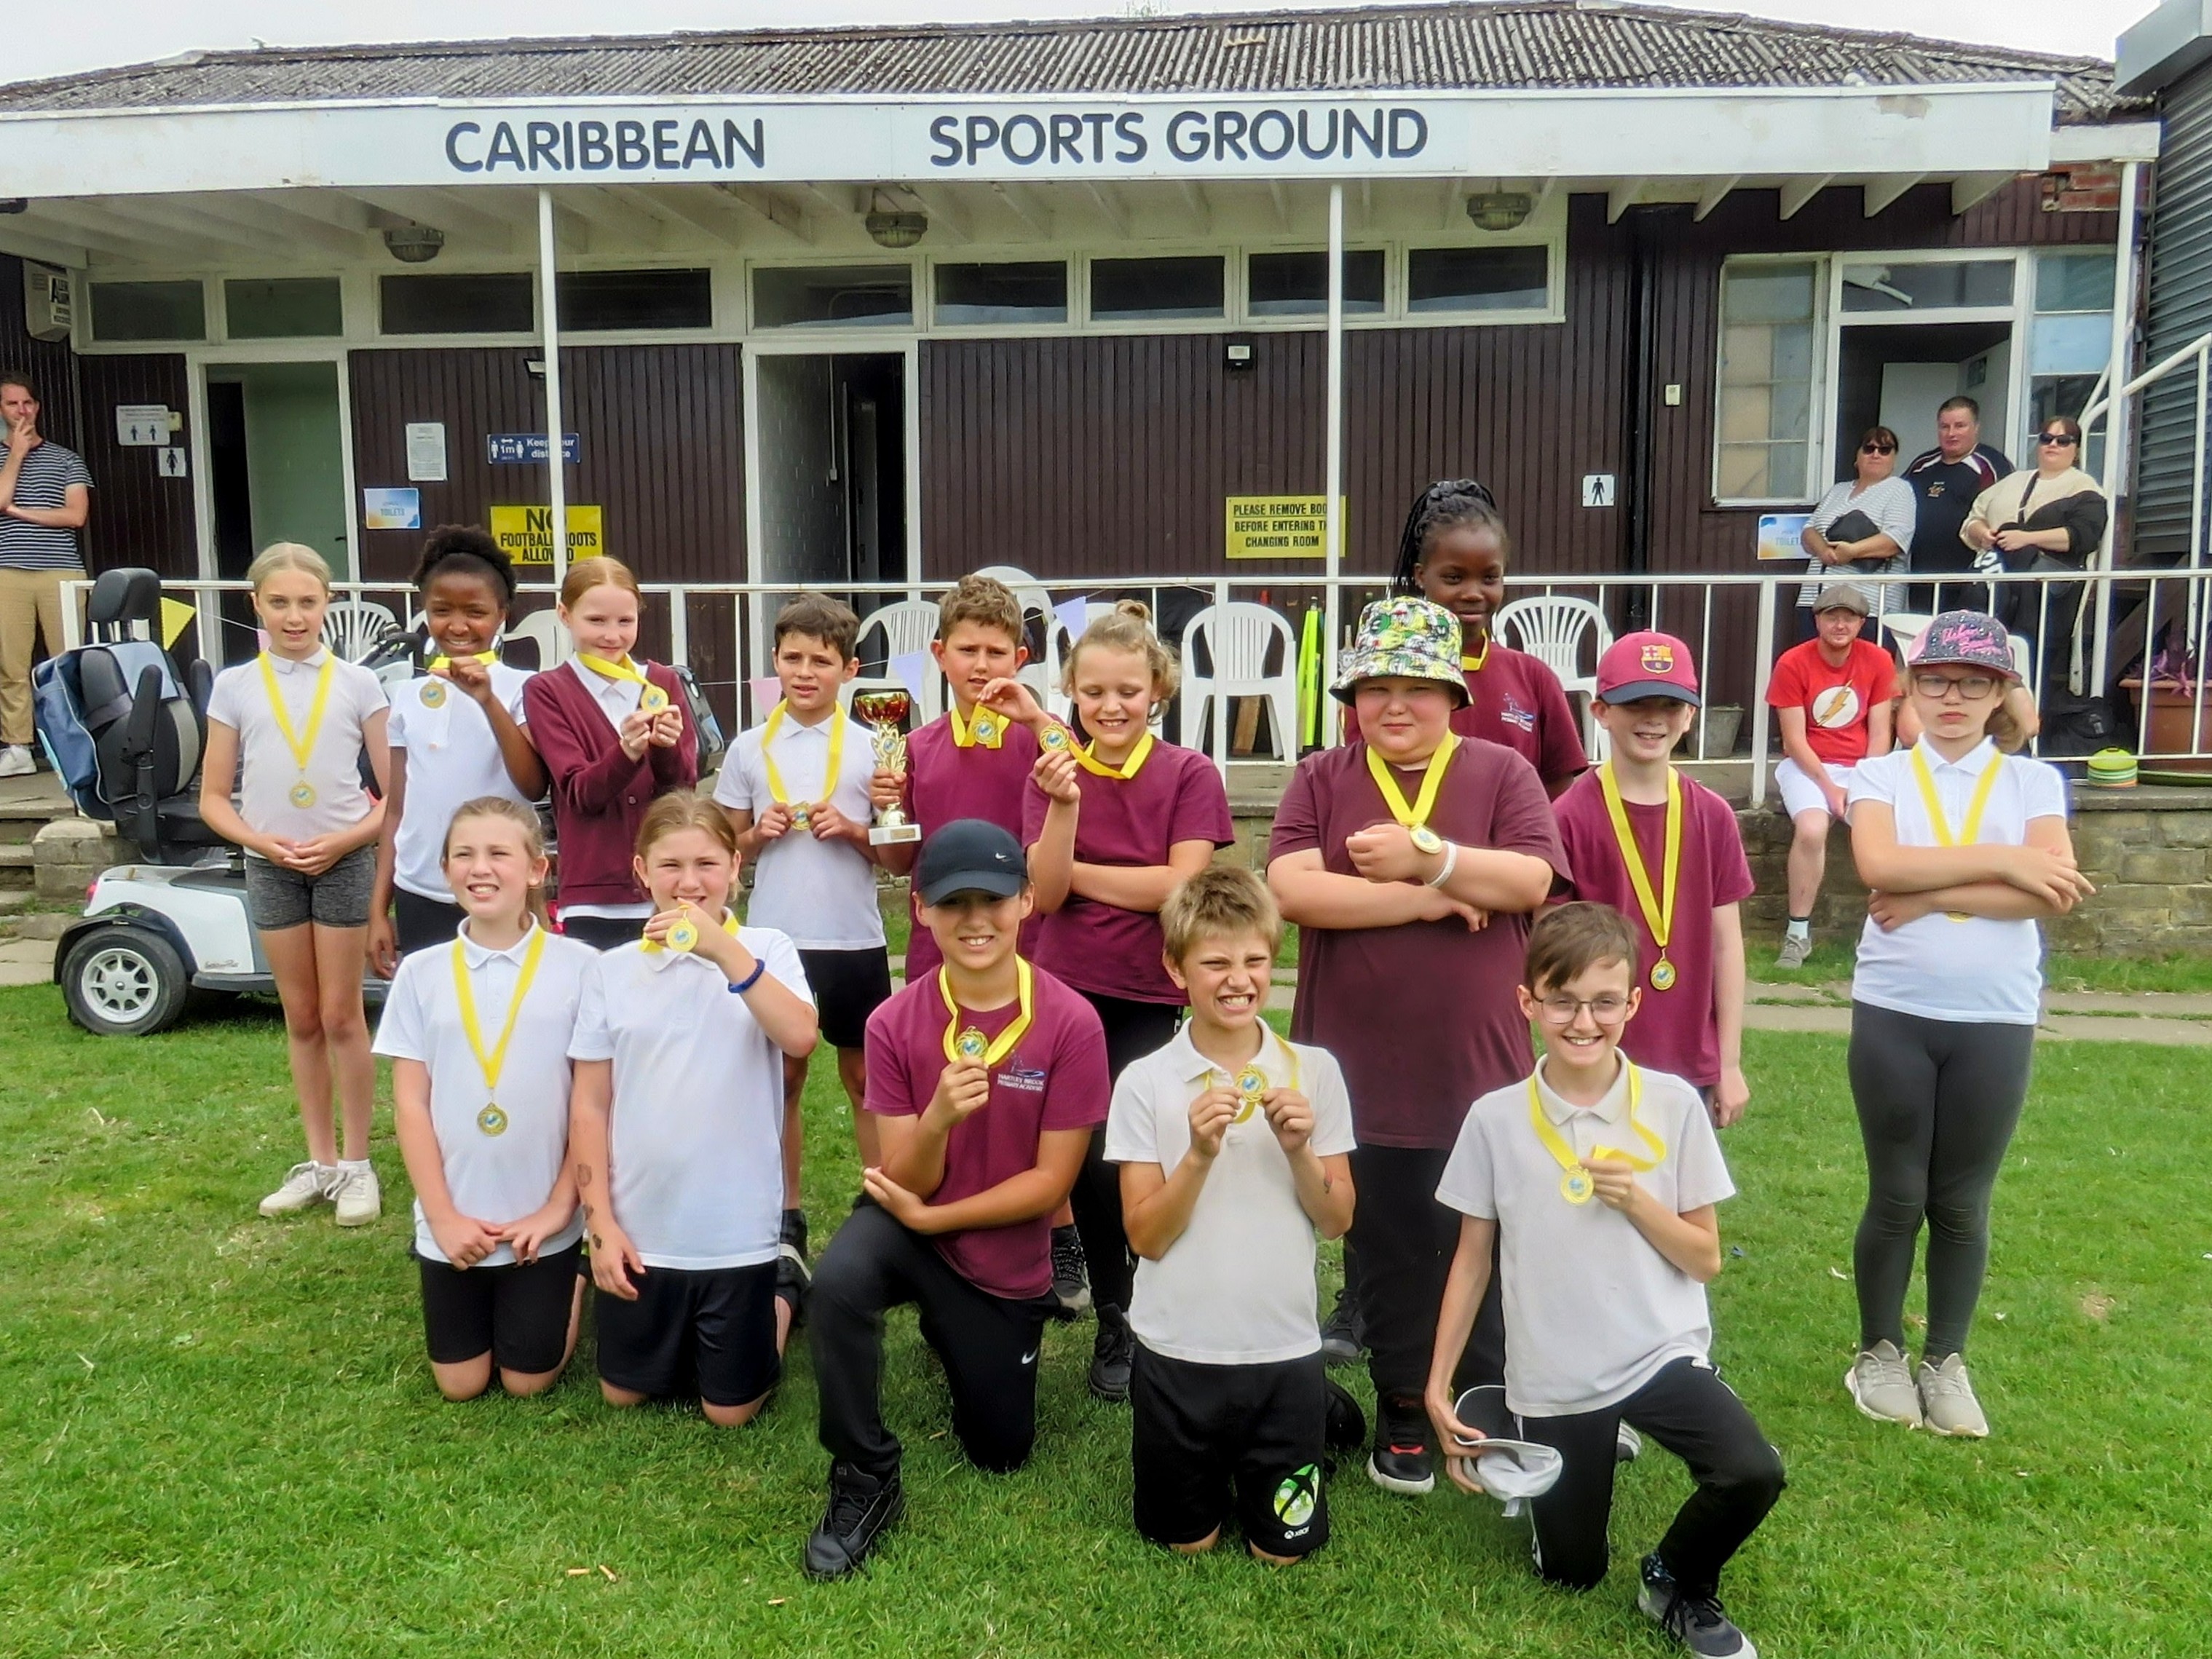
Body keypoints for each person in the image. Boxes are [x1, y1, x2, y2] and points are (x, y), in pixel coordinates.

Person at [1268, 595, 1565, 1497]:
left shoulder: (1502, 770)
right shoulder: (1322, 776)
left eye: (1416, 687)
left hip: (1478, 1069)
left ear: (1452, 692)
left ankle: (1479, 1403)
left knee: (1482, 1236)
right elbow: (1293, 890)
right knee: (1385, 1247)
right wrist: (1437, 895)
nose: (1393, 705)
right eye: (1374, 687)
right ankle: (1401, 1403)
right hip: (1356, 1068)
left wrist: (1428, 855)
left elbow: (1528, 876)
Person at [1426, 903, 1782, 1659]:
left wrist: (1636, 1200)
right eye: (1561, 999)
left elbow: (1704, 1258)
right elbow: (1470, 1258)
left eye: (1602, 1001)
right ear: (1527, 1002)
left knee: (1750, 1470)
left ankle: (1675, 1579)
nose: (1581, 1019)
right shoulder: (1493, 1118)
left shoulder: (1671, 1103)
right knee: (1570, 1573)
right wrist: (1435, 1382)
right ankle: (1519, 1420)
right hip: (1555, 1371)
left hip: (1657, 1350)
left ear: (1631, 1002)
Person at [804, 820, 1108, 1580]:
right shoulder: (892, 1020)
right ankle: (864, 1473)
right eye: (953, 901)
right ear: (920, 908)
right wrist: (937, 1116)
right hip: (908, 1217)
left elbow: (1050, 1184)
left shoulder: (1069, 1021)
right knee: (837, 1283)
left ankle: (957, 1326)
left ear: (1027, 900)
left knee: (999, 1452)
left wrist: (936, 1219)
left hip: (996, 1249)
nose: (975, 919)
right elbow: (903, 1182)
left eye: (993, 899)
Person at [1842, 611, 2090, 1439]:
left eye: (1972, 683)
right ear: (1909, 688)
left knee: (1960, 1202)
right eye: (1935, 680)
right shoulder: (1877, 776)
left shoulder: (2031, 784)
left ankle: (1944, 1357)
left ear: (1998, 695)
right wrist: (2006, 860)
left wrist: (1932, 894)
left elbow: (2049, 891)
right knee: (1895, 1192)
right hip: (1894, 1010)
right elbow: (1877, 866)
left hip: (1995, 1015)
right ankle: (1877, 1350)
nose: (1951, 697)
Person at [1006, 601, 1235, 1402]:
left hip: (1148, 988)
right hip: (1064, 989)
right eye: (1093, 690)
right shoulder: (1053, 771)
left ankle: (1170, 1295)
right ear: (1069, 689)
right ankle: (1115, 1312)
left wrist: (1093, 877)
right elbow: (1046, 891)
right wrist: (1065, 815)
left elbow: (1181, 882)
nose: (1110, 706)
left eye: (1127, 691)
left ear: (1157, 691)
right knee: (1090, 1160)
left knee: (1153, 1148)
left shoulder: (1187, 772)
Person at [1107, 865, 1356, 1564]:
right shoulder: (1145, 1081)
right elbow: (1145, 1237)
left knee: (1282, 1552)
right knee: (1186, 1542)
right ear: (1175, 967)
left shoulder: (1316, 1071)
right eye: (1215, 961)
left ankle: (1314, 1417)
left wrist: (1301, 1150)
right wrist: (1197, 1153)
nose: (1238, 978)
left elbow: (1336, 1219)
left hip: (1282, 1352)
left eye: (1254, 959)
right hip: (1177, 1352)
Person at [566, 792, 819, 1425]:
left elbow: (801, 1036)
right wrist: (601, 1226)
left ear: (737, 866)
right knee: (624, 1393)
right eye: (670, 865)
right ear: (641, 871)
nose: (688, 882)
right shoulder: (612, 970)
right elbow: (590, 1104)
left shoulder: (767, 946)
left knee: (728, 1411)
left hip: (734, 1229)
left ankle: (785, 1286)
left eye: (706, 863)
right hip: (643, 1226)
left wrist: (722, 951)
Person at [871, 575, 1081, 1313]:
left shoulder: (1036, 740)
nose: (982, 665)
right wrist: (885, 815)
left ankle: (1055, 1231)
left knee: (1032, 1100)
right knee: (954, 1099)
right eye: (968, 649)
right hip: (939, 958)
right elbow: (900, 868)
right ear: (938, 653)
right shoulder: (913, 746)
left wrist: (1042, 720)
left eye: (997, 651)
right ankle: (946, 1251)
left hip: (1029, 953)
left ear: (1020, 657)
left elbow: (1068, 788)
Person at [376, 797, 593, 1401]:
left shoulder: (580, 968)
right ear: (444, 870)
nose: (481, 868)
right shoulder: (421, 973)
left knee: (529, 1381)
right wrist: (442, 1216)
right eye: (464, 855)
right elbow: (412, 1105)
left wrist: (556, 1209)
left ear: (536, 870)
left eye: (500, 853)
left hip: (539, 1221)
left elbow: (589, 1103)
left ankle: (572, 1274)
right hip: (455, 1221)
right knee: (461, 1383)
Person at [200, 543, 390, 1227]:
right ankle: (321, 1163)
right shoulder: (235, 685)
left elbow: (388, 799)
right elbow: (215, 798)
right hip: (270, 863)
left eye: (307, 602)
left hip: (342, 860)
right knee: (301, 1017)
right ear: (256, 604)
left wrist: (342, 841)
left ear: (328, 604)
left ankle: (360, 1166)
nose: (293, 615)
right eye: (278, 602)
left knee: (343, 1015)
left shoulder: (360, 683)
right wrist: (262, 841)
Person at [715, 593, 890, 1310]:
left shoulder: (876, 742)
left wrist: (854, 829)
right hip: (776, 941)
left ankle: (880, 1199)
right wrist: (756, 833)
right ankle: (784, 1212)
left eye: (822, 660)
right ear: (776, 663)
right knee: (781, 1081)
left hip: (853, 936)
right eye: (793, 658)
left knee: (866, 1080)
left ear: (848, 668)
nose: (806, 671)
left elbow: (901, 851)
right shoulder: (748, 747)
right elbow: (722, 851)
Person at [1553, 633, 1753, 1127]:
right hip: (1596, 1057)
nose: (1654, 718)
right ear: (1601, 711)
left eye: (1671, 705)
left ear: (1689, 716)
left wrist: (1728, 1063)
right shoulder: (1569, 816)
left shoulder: (1713, 815)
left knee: (1682, 1203)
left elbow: (1727, 945)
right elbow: (1549, 948)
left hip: (1693, 1061)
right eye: (1637, 703)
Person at [369, 526, 545, 975]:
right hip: (421, 888)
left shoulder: (524, 689)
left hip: (499, 885)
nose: (459, 625)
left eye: (476, 612)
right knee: (437, 1022)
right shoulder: (407, 694)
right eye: (442, 611)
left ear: (502, 614)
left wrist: (487, 700)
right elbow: (397, 808)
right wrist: (379, 910)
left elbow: (533, 783)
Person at [521, 557, 696, 950]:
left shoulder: (663, 680)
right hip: (593, 892)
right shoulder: (547, 690)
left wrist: (665, 749)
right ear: (564, 615)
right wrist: (627, 751)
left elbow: (682, 788)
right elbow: (580, 791)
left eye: (625, 622)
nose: (612, 636)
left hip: (664, 886)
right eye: (596, 621)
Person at [1390, 478, 1588, 796]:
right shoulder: (1385, 678)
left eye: (1489, 578)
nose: (1473, 593)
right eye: (1454, 578)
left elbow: (1556, 793)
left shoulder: (1534, 679)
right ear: (1420, 575)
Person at [1763, 584, 1897, 969]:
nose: (1841, 624)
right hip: (1808, 766)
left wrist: (1867, 781)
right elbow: (1794, 739)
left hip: (1861, 766)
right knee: (1811, 828)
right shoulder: (1793, 662)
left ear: (1861, 623)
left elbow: (1879, 734)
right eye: (1832, 616)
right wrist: (1830, 787)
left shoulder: (1878, 659)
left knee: (1884, 828)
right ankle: (1797, 933)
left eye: (1849, 617)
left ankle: (1887, 933)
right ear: (1817, 619)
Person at [1962, 415, 2109, 692]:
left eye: (2063, 440)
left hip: (2045, 594)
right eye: (2046, 438)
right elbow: (1971, 520)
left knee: (2032, 661)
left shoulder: (2084, 487)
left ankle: (2029, 727)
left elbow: (2083, 537)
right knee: (1981, 655)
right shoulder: (2011, 482)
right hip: (1996, 583)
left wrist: (2027, 539)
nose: (2053, 445)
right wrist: (1982, 533)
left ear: (2076, 449)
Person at [0, 371, 92, 779]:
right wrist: (16, 455)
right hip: (8, 571)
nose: (21, 411)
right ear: (1, 410)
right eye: (11, 404)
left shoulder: (66, 458)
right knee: (11, 665)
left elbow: (76, 515)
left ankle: (72, 741)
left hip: (62, 571)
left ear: (37, 406)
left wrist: (19, 512)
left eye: (27, 403)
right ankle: (18, 746)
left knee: (66, 660)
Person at [1796, 427, 1913, 638]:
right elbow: (1808, 530)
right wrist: (1823, 550)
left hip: (1867, 606)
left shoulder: (1899, 489)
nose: (1876, 454)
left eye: (1885, 449)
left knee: (1863, 670)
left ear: (1894, 458)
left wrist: (1852, 551)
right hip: (1816, 600)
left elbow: (1895, 540)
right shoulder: (1838, 490)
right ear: (1857, 456)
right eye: (1869, 448)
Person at [1902, 396, 2012, 613]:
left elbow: (2006, 516)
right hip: (1922, 578)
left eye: (1960, 426)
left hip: (1970, 580)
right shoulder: (1922, 464)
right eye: (1945, 426)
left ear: (1976, 428)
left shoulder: (1992, 465)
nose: (1951, 433)